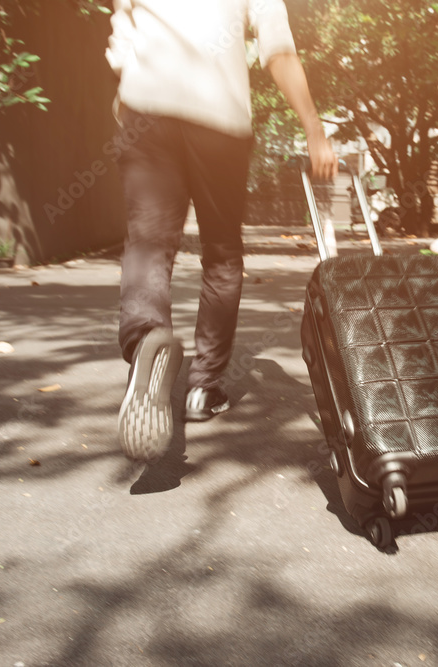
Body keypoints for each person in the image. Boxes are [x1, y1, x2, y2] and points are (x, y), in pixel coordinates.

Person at [106, 0, 338, 462]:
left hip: (147, 108)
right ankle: (203, 388)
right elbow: (279, 51)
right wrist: (314, 128)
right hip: (220, 119)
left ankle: (146, 336)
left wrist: (126, 81)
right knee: (222, 254)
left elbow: (121, 28)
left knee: (149, 241)